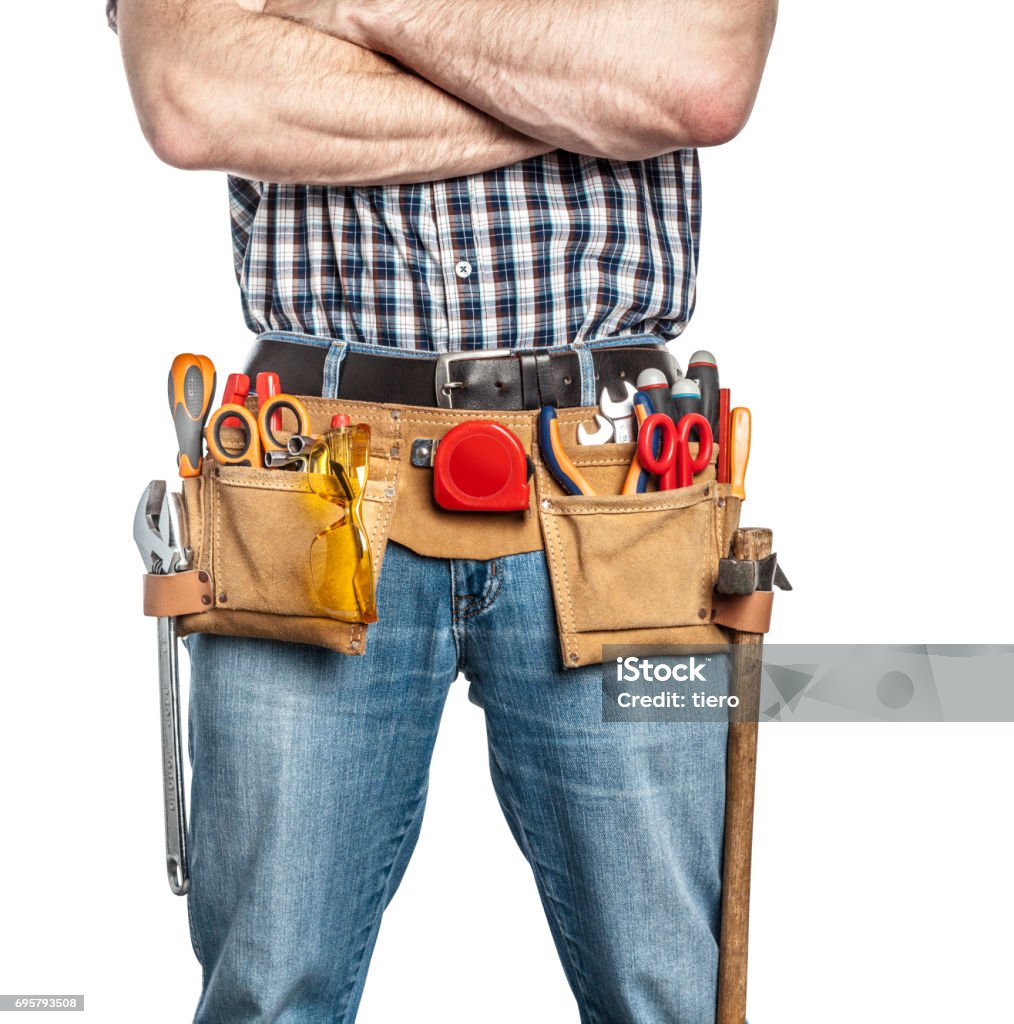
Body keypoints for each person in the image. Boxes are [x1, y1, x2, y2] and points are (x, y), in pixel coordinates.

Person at [112, 1, 777, 1020]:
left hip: (618, 490)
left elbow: (700, 80)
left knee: (671, 995)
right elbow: (187, 98)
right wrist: (569, 92)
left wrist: (354, 16)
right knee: (267, 994)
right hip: (307, 479)